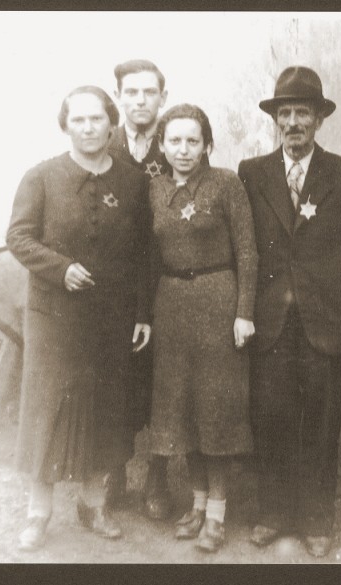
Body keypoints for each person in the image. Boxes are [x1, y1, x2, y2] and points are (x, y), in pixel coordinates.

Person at [237, 66, 341, 558]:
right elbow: (246, 248)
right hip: (271, 322)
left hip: (327, 322)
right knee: (270, 418)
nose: (293, 122)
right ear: (276, 120)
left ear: (319, 119)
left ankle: (318, 518)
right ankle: (273, 512)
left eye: (303, 112)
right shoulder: (252, 173)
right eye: (285, 113)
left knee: (321, 423)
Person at [6, 85, 151, 551]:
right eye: (79, 120)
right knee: (49, 409)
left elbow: (145, 251)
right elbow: (19, 237)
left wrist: (142, 312)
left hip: (111, 318)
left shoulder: (131, 179)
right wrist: (60, 269)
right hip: (54, 318)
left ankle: (93, 505)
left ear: (112, 124)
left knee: (105, 411)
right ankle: (38, 513)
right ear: (66, 125)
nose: (89, 128)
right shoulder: (42, 177)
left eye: (97, 119)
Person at [148, 104, 257, 553]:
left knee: (217, 413)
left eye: (193, 140)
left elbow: (248, 251)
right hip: (171, 308)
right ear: (162, 145)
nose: (184, 149)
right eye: (174, 140)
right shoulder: (153, 190)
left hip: (218, 302)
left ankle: (217, 513)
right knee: (182, 412)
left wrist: (244, 312)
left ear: (207, 144)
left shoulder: (226, 184)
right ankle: (195, 504)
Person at [107, 59, 192, 519]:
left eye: (148, 92)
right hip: (115, 288)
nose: (140, 100)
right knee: (115, 383)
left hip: (164, 285)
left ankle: (157, 480)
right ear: (119, 96)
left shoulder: (177, 144)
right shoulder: (105, 141)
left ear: (162, 95)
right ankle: (113, 473)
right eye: (131, 92)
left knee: (165, 386)